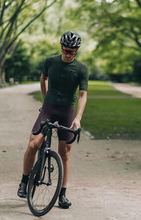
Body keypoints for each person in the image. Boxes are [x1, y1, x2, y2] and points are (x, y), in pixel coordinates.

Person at [17, 31, 89, 209]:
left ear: (76, 51)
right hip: (49, 107)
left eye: (71, 51)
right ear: (61, 48)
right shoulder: (50, 62)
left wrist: (78, 118)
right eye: (65, 50)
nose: (67, 53)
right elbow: (43, 79)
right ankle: (24, 181)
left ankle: (62, 194)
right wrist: (45, 99)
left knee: (64, 153)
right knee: (33, 144)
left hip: (66, 111)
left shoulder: (82, 69)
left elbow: (82, 95)